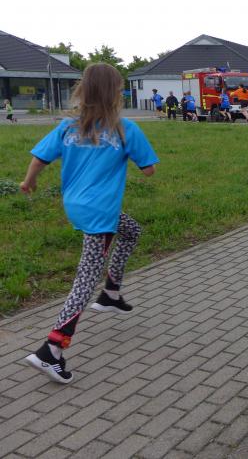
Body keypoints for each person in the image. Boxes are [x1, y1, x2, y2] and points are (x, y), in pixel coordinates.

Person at [19, 63, 159, 384]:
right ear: (115, 93)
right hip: (100, 212)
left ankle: (111, 293)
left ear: (84, 90)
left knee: (131, 230)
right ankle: (52, 348)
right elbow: (149, 170)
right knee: (85, 279)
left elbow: (39, 159)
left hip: (76, 205)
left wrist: (29, 182)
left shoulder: (68, 127)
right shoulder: (125, 129)